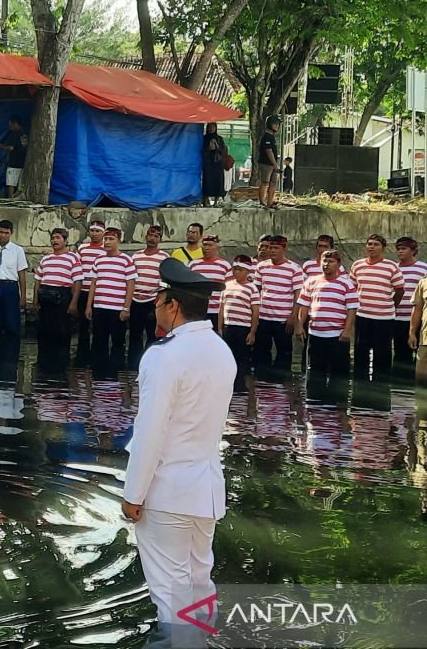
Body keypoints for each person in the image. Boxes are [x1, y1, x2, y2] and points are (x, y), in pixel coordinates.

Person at [122, 259, 234, 647]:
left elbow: (150, 431)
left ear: (172, 305)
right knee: (199, 582)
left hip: (168, 491)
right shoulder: (221, 351)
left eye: (157, 299)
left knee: (170, 593)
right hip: (206, 490)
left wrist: (133, 494)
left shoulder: (163, 355)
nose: (154, 306)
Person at [295, 249, 358, 376]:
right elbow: (304, 306)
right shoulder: (311, 282)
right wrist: (300, 326)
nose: (326, 264)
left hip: (338, 335)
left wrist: (347, 331)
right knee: (315, 372)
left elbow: (352, 309)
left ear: (339, 264)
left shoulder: (346, 285)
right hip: (315, 334)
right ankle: (314, 395)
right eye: (324, 261)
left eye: (331, 261)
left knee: (339, 374)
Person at [350, 234, 404, 377]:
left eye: (376, 244)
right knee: (360, 352)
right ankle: (360, 385)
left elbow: (400, 290)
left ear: (383, 248)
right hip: (362, 315)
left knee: (383, 353)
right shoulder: (357, 265)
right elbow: (352, 289)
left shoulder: (391, 266)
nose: (371, 247)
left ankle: (382, 384)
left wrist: (391, 305)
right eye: (369, 244)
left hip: (384, 318)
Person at [85, 227, 137, 375]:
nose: (107, 242)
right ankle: (98, 373)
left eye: (111, 239)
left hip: (117, 308)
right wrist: (89, 306)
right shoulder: (99, 260)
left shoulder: (126, 260)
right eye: (106, 239)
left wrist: (126, 308)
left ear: (118, 241)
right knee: (98, 340)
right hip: (100, 307)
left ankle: (115, 373)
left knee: (117, 342)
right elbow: (93, 284)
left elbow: (131, 285)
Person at [33, 227, 82, 369]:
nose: (55, 241)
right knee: (44, 332)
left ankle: (60, 367)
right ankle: (43, 365)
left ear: (65, 241)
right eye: (53, 238)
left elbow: (78, 282)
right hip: (45, 297)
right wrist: (35, 300)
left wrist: (73, 303)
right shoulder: (46, 258)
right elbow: (38, 280)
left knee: (61, 332)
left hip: (63, 298)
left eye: (58, 238)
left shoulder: (73, 258)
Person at [253, 235, 304, 370]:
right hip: (263, 317)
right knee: (261, 352)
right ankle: (262, 384)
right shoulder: (261, 267)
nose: (272, 251)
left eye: (276, 248)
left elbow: (298, 294)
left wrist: (293, 316)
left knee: (284, 353)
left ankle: (281, 384)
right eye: (270, 248)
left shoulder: (294, 268)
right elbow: (256, 291)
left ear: (284, 249)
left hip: (283, 318)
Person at [0, 219, 30, 336]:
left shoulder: (18, 250)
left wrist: (23, 296)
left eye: (6, 233)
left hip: (11, 286)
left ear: (11, 233)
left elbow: (21, 274)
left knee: (12, 323)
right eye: (1, 232)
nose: (3, 235)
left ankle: (12, 351)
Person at [129, 226, 168, 367]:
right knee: (135, 335)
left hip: (153, 302)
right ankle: (133, 366)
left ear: (160, 239)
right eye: (150, 235)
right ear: (145, 237)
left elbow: (165, 281)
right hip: (135, 300)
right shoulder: (136, 256)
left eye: (156, 236)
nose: (152, 239)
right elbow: (131, 279)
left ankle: (150, 365)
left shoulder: (164, 257)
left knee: (152, 335)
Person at [219, 255, 260, 373]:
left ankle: (243, 387)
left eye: (240, 270)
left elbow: (255, 311)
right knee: (228, 357)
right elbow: (221, 307)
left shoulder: (252, 288)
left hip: (243, 328)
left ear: (247, 271)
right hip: (228, 326)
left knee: (243, 359)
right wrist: (220, 327)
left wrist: (252, 332)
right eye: (235, 269)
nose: (237, 272)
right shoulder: (227, 285)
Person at [76, 221, 108, 358]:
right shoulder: (82, 248)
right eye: (92, 231)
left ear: (103, 233)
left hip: (100, 293)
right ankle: (82, 355)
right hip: (84, 291)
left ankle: (97, 354)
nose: (94, 234)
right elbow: (77, 268)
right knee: (83, 324)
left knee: (99, 326)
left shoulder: (106, 249)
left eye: (98, 231)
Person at [394, 237, 426, 365]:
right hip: (397, 318)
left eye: (404, 248)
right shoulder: (393, 268)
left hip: (418, 318)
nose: (400, 251)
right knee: (401, 354)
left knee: (420, 355)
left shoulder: (423, 268)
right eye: (398, 249)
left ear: (413, 250)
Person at [188, 236, 232, 329]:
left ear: (217, 247)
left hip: (217, 311)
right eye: (204, 245)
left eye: (210, 245)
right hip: (197, 311)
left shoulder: (225, 265)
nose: (206, 248)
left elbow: (230, 290)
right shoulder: (193, 264)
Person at [257, 115, 281, 208]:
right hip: (266, 164)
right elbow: (269, 151)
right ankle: (262, 202)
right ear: (270, 124)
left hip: (273, 164)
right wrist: (275, 164)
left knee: (273, 183)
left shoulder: (272, 136)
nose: (277, 126)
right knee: (265, 182)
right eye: (275, 124)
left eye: (278, 124)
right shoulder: (266, 137)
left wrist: (275, 165)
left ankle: (270, 202)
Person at [0, 118, 27, 196]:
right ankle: (19, 196)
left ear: (15, 124)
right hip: (23, 163)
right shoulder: (25, 134)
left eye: (11, 125)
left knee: (11, 182)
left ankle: (10, 199)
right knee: (21, 183)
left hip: (13, 163)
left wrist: (2, 147)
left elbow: (11, 148)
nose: (10, 127)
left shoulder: (14, 134)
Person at [201, 123, 227, 205]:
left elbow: (224, 152)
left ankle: (216, 201)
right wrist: (208, 148)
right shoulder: (204, 138)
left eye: (213, 127)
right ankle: (205, 200)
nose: (211, 129)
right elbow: (201, 151)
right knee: (207, 181)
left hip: (218, 163)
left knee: (218, 181)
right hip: (208, 163)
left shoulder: (219, 139)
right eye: (209, 127)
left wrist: (217, 146)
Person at [410, 276, 427, 381]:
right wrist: (412, 333)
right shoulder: (424, 281)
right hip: (425, 340)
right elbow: (417, 308)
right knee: (421, 380)